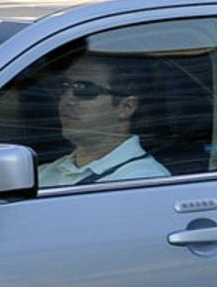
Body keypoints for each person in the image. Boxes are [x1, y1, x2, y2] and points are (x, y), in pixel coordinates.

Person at [35, 54, 171, 187]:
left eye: (84, 89)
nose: (67, 100)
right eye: (64, 87)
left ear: (126, 107)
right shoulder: (43, 174)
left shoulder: (144, 180)